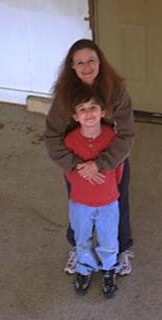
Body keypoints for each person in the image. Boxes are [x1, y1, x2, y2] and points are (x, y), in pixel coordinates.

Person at [45, 39, 135, 275]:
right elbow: (52, 136)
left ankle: (121, 250)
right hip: (77, 164)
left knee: (117, 204)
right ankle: (78, 249)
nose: (86, 67)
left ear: (100, 63)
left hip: (111, 163)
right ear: (72, 67)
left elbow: (126, 134)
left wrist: (102, 164)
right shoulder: (64, 97)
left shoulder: (116, 92)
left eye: (91, 60)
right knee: (78, 207)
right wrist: (76, 166)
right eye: (80, 62)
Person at [62, 88, 124, 297]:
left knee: (108, 238)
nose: (88, 114)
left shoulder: (111, 137)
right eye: (82, 109)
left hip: (108, 200)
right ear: (75, 116)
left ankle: (108, 269)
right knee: (82, 236)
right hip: (80, 201)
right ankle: (84, 267)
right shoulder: (70, 141)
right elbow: (68, 170)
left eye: (93, 108)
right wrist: (84, 179)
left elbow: (118, 167)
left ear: (103, 112)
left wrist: (109, 187)